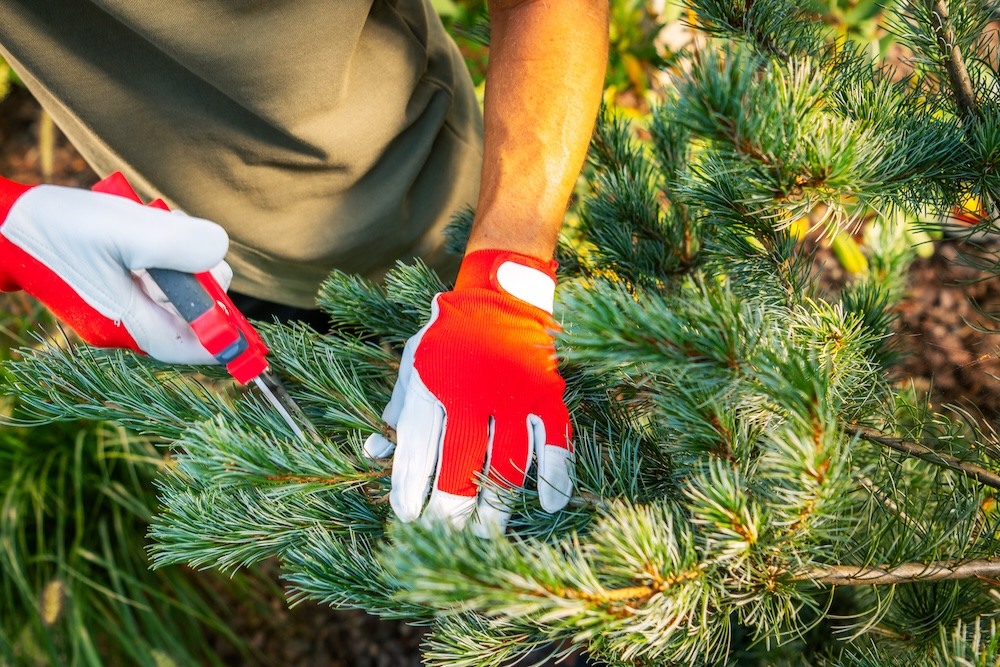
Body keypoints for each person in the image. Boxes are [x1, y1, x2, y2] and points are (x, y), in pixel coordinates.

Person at [0, 0, 609, 535]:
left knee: (535, 470)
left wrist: (507, 278)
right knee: (408, 497)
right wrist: (11, 229)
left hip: (447, 229)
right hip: (214, 273)